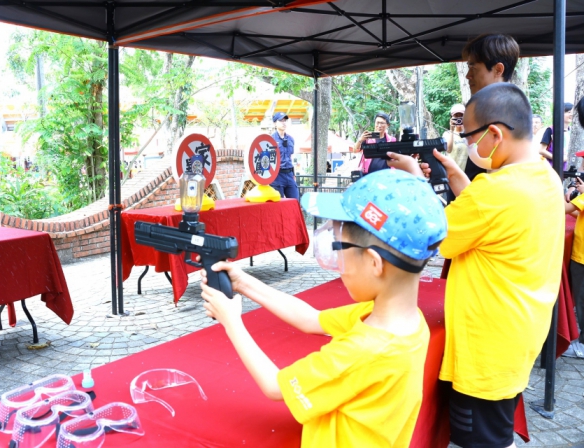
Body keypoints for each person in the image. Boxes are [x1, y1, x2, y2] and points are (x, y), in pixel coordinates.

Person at [199, 169, 447, 447]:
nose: (336, 258)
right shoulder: (407, 322)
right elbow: (310, 319)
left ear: (374, 263)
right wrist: (245, 283)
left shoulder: (363, 351)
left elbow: (275, 386)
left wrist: (231, 320)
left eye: (339, 246)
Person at [387, 83, 564, 448]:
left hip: (485, 349)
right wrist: (456, 174)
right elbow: (491, 219)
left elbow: (438, 236)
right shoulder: (545, 177)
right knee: (497, 432)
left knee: (482, 441)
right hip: (518, 333)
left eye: (469, 136)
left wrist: (416, 182)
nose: (467, 144)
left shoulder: (494, 192)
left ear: (495, 134)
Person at [461, 34, 520, 182]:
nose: (468, 75)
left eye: (473, 68)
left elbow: (493, 180)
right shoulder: (510, 106)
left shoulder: (501, 111)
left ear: (498, 69)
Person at [563, 177, 584, 358]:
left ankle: (582, 345)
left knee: (582, 299)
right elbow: (578, 213)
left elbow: (563, 208)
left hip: (582, 256)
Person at [270, 112, 299, 199]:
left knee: (295, 201)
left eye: (285, 120)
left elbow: (290, 157)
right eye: (281, 121)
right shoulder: (271, 139)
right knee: (279, 203)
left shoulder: (290, 139)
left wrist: (293, 174)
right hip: (277, 176)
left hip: (289, 174)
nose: (284, 123)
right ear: (275, 123)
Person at [539, 102, 574, 170]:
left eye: (573, 112)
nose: (571, 114)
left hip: (567, 168)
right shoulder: (551, 130)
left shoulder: (572, 132)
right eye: (569, 112)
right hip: (552, 167)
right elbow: (541, 150)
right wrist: (559, 159)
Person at [443, 104, 469, 171]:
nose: (459, 119)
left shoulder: (468, 134)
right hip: (450, 172)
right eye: (456, 116)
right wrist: (451, 130)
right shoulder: (447, 134)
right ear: (451, 118)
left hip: (464, 173)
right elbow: (448, 150)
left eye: (461, 116)